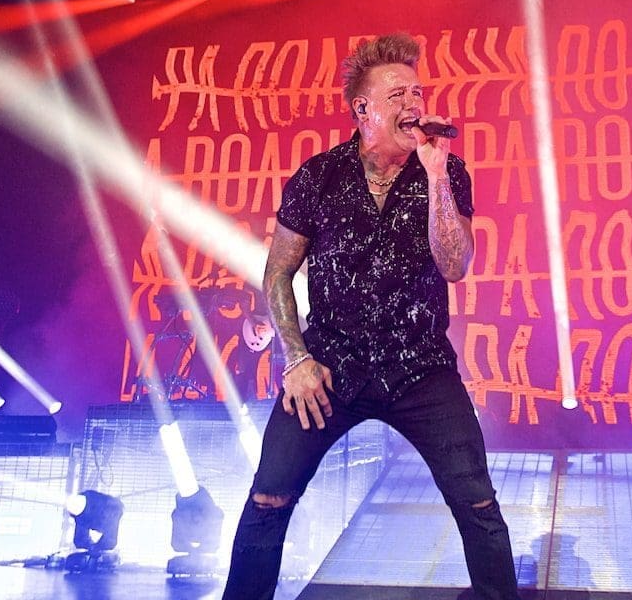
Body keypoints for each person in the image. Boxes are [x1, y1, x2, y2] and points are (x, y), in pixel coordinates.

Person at [222, 33, 520, 600]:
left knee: (478, 502)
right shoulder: (318, 177)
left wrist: (436, 174)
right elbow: (278, 273)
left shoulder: (446, 172)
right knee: (268, 498)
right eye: (399, 95)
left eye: (418, 92)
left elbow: (455, 266)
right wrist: (297, 359)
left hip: (420, 367)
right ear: (364, 110)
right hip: (330, 367)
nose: (415, 104)